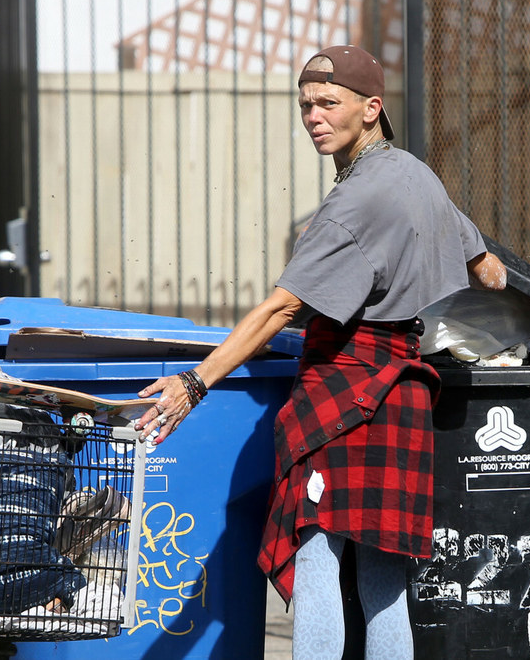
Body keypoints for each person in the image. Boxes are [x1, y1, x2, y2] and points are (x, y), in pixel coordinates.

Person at [135, 45, 507, 659]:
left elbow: (282, 308)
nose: (314, 116)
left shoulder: (353, 204)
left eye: (329, 103)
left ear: (371, 108)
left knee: (315, 561)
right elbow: (489, 272)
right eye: (306, 105)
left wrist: (194, 384)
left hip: (345, 387)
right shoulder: (419, 177)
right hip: (404, 386)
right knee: (385, 579)